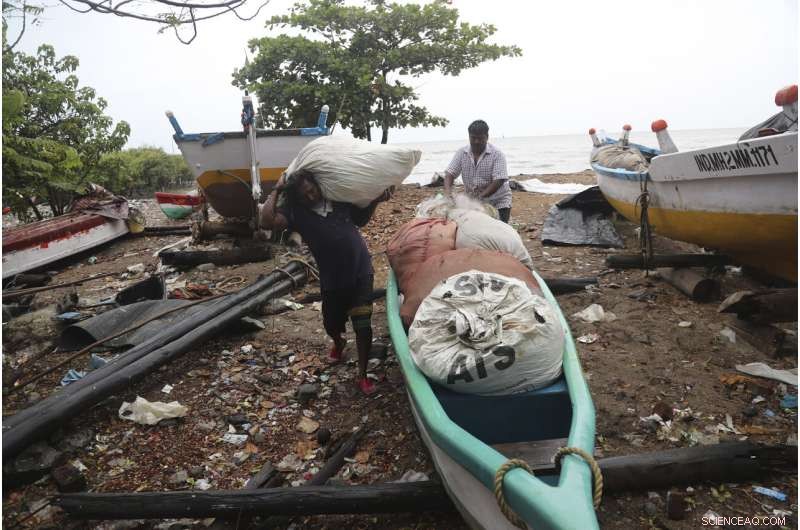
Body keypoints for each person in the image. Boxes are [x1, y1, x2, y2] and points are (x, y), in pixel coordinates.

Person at [260, 170, 392, 395]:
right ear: (296, 197)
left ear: (318, 185)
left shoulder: (338, 198)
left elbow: (361, 219)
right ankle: (339, 342)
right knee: (331, 324)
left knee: (362, 324)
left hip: (360, 269)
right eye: (304, 195)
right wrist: (276, 189)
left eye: (312, 191)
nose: (311, 197)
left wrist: (377, 199)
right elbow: (267, 221)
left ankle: (362, 375)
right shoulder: (295, 212)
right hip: (332, 278)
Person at [443, 119, 512, 223]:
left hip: (498, 201)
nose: (476, 141)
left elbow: (498, 180)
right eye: (473, 138)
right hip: (473, 202)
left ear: (487, 137)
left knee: (497, 229)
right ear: (469, 136)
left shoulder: (497, 154)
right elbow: (450, 174)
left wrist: (480, 197)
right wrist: (448, 194)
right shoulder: (462, 153)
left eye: (480, 138)